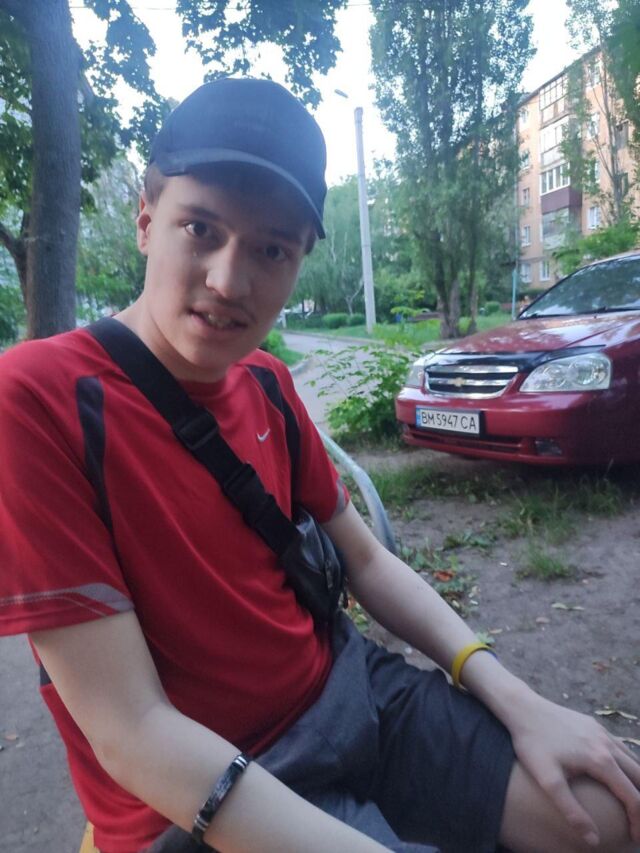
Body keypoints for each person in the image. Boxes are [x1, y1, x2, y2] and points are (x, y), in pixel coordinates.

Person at [0, 77, 638, 853]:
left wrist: (517, 698)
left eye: (271, 249)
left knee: (606, 816)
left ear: (300, 260)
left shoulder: (267, 383)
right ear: (145, 221)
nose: (229, 281)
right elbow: (132, 729)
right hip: (198, 795)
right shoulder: (36, 398)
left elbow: (365, 558)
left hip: (349, 694)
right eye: (200, 229)